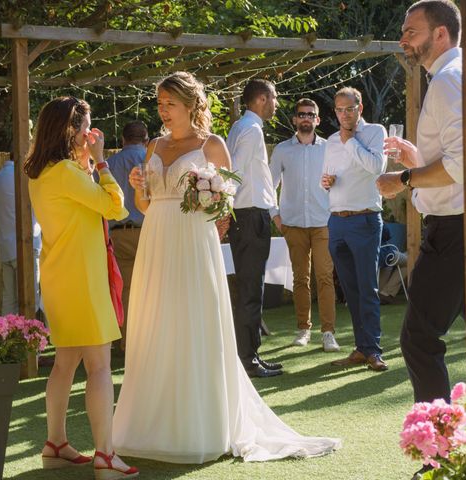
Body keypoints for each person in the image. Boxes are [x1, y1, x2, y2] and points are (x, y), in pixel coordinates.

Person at [112, 71, 340, 464]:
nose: (163, 111)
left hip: (192, 243)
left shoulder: (212, 145)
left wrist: (211, 200)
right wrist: (137, 185)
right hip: (156, 242)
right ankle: (151, 422)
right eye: (160, 103)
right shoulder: (153, 145)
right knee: (155, 324)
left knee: (193, 323)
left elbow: (225, 207)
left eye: (170, 103)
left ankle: (202, 423)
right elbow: (147, 205)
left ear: (190, 104)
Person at [24, 97, 138, 478]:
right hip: (83, 280)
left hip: (59, 278)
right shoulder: (66, 174)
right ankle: (105, 456)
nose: (91, 133)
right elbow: (115, 207)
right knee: (100, 366)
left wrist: (85, 161)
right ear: (71, 129)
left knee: (64, 362)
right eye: (87, 126)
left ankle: (56, 444)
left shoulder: (42, 172)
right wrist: (102, 161)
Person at [376, 0, 463, 406]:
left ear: (440, 34)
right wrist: (418, 160)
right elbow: (457, 159)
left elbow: (462, 165)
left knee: (418, 340)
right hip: (464, 227)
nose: (403, 39)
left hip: (452, 231)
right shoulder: (456, 76)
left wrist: (403, 179)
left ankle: (438, 456)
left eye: (412, 31)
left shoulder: (448, 80)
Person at [322, 87, 388, 372]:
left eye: (349, 108)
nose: (344, 114)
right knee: (350, 290)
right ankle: (361, 348)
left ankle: (373, 350)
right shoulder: (331, 141)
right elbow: (325, 178)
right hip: (336, 221)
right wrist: (324, 182)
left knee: (367, 287)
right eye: (339, 110)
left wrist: (350, 142)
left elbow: (377, 166)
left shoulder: (375, 132)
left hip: (365, 220)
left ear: (359, 108)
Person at [269, 98, 339, 352]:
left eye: (311, 114)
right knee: (300, 278)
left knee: (325, 278)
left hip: (323, 223)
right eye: (302, 114)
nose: (306, 118)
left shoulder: (329, 148)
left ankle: (328, 333)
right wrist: (276, 217)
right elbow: (269, 185)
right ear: (295, 120)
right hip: (293, 224)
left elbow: (339, 181)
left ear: (317, 120)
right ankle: (303, 329)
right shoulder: (282, 150)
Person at [226, 79, 281, 378]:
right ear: (261, 99)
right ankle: (247, 359)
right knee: (251, 288)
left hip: (248, 214)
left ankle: (250, 353)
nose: (276, 104)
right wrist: (226, 210)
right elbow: (234, 171)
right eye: (274, 97)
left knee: (251, 287)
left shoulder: (242, 127)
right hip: (249, 216)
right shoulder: (250, 130)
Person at [107, 121, 149, 351]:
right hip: (147, 230)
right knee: (148, 288)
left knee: (122, 288)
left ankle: (123, 341)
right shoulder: (151, 160)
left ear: (123, 139)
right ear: (146, 139)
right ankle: (143, 340)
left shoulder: (110, 163)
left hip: (118, 233)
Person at [0, 157, 43, 316]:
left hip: (5, 246)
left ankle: (6, 337)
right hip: (26, 245)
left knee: (9, 299)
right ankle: (27, 337)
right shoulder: (24, 176)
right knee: (30, 298)